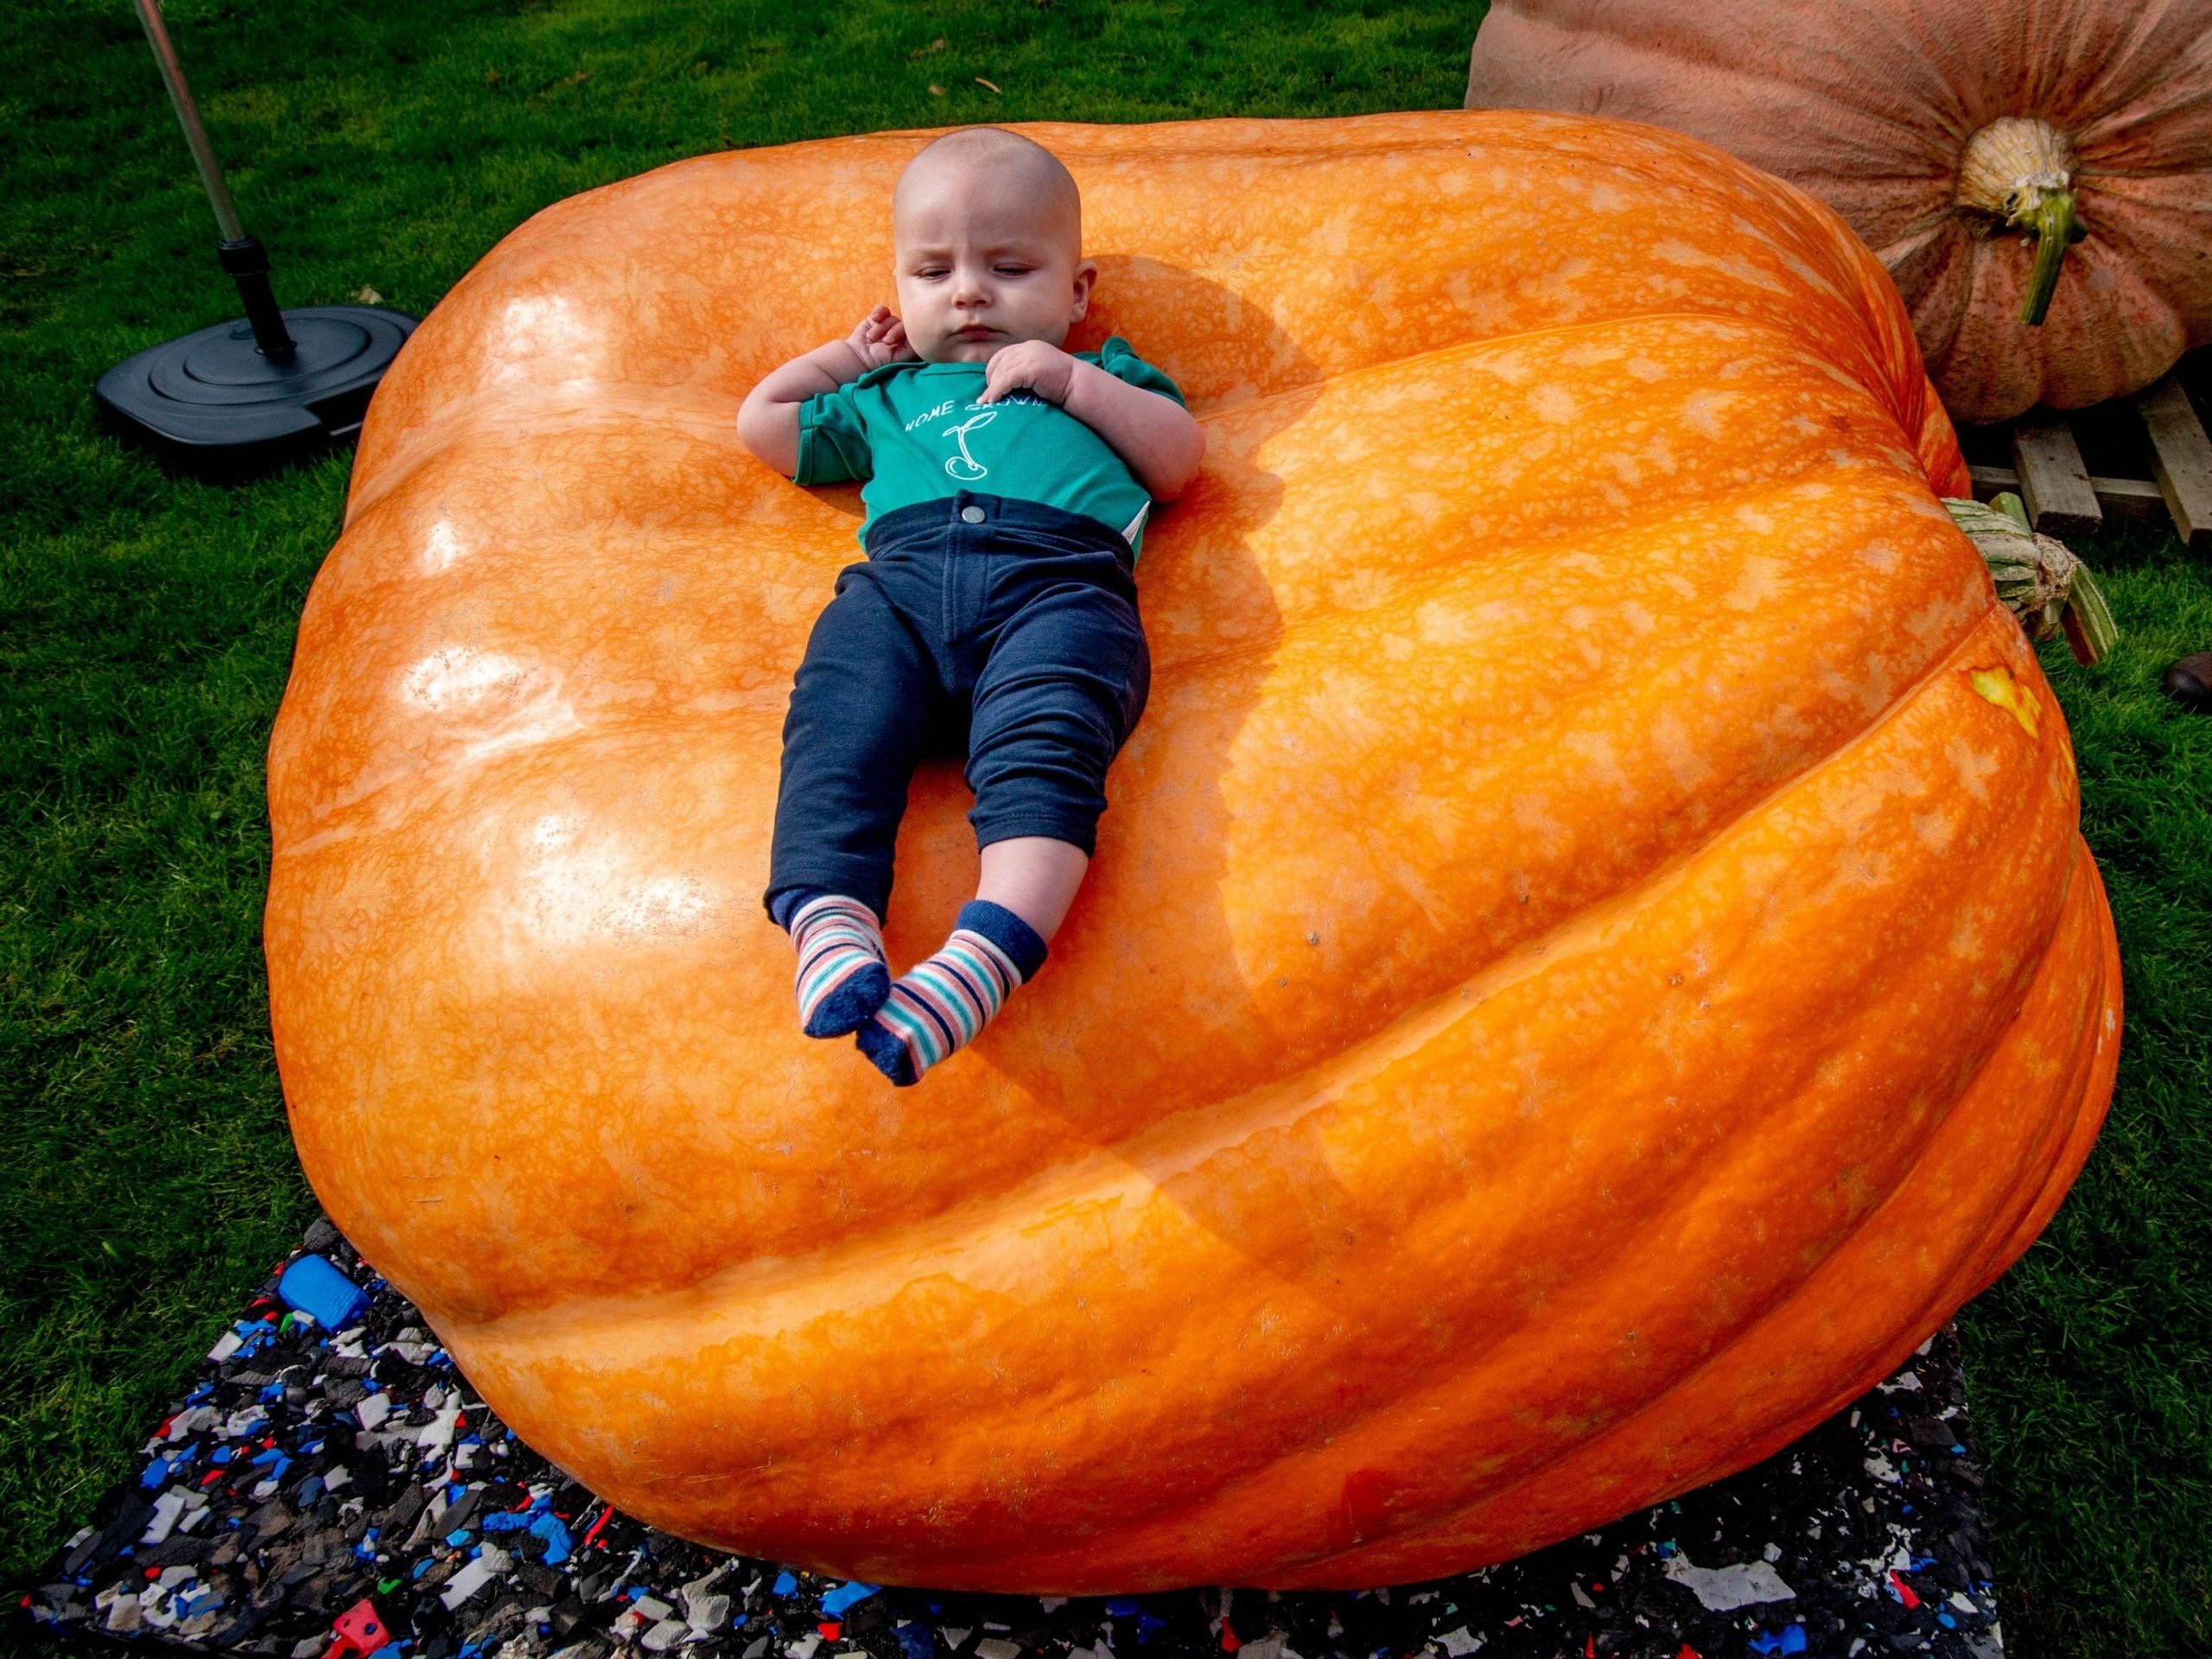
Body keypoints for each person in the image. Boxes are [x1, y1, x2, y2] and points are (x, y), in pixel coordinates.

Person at [737, 126, 1206, 1086]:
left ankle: (985, 953)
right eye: (932, 271)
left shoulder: (1105, 374)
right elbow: (765, 426)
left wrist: (1076, 382)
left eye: (1008, 266)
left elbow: (1177, 462)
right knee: (834, 730)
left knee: (1048, 752)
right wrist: (843, 358)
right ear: (900, 290)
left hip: (1057, 588)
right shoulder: (887, 393)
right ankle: (831, 917)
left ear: (1075, 293)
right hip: (898, 593)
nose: (968, 293)